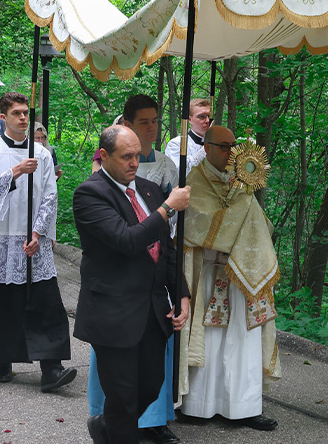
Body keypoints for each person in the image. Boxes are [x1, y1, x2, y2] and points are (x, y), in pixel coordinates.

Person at [73, 125, 191, 444]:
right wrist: (168, 208)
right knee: (123, 399)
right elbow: (127, 241)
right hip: (113, 311)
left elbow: (165, 249)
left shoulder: (149, 189)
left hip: (152, 310)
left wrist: (181, 293)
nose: (134, 163)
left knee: (151, 385)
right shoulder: (90, 194)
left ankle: (106, 428)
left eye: (137, 155)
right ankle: (117, 430)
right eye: (126, 156)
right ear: (104, 156)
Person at [0, 92, 76, 393]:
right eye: (17, 113)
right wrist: (15, 171)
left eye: (26, 113)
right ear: (5, 116)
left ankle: (51, 369)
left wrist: (38, 232)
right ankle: (3, 360)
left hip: (31, 238)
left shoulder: (42, 154)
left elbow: (50, 194)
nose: (23, 118)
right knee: (1, 301)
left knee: (46, 301)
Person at [179, 125, 280, 430]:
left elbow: (259, 225)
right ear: (207, 147)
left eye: (234, 146)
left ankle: (244, 408)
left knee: (243, 340)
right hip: (208, 274)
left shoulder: (244, 185)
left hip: (242, 276)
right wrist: (233, 224)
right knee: (208, 342)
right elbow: (196, 225)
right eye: (224, 146)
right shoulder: (193, 182)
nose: (231, 152)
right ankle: (199, 406)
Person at [164, 98, 210, 176]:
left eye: (209, 116)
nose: (207, 120)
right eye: (202, 116)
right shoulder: (176, 144)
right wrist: (207, 147)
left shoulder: (217, 144)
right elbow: (179, 173)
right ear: (189, 119)